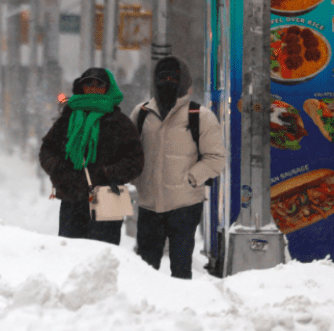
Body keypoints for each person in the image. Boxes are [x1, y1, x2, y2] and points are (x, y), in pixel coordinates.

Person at [130, 56, 225, 279]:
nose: (167, 82)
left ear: (184, 82)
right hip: (149, 204)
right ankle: (147, 301)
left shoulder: (200, 116)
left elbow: (216, 158)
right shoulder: (141, 114)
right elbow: (129, 152)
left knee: (181, 268)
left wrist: (191, 179)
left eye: (173, 78)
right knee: (145, 271)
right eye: (162, 77)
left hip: (185, 206)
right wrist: (136, 179)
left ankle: (180, 301)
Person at [39, 68, 144, 244]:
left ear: (107, 88)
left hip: (108, 198)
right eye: (88, 84)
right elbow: (47, 150)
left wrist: (108, 173)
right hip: (72, 198)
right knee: (71, 253)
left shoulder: (120, 123)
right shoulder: (68, 119)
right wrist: (59, 170)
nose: (93, 88)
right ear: (82, 88)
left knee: (103, 253)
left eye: (99, 85)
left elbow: (135, 160)